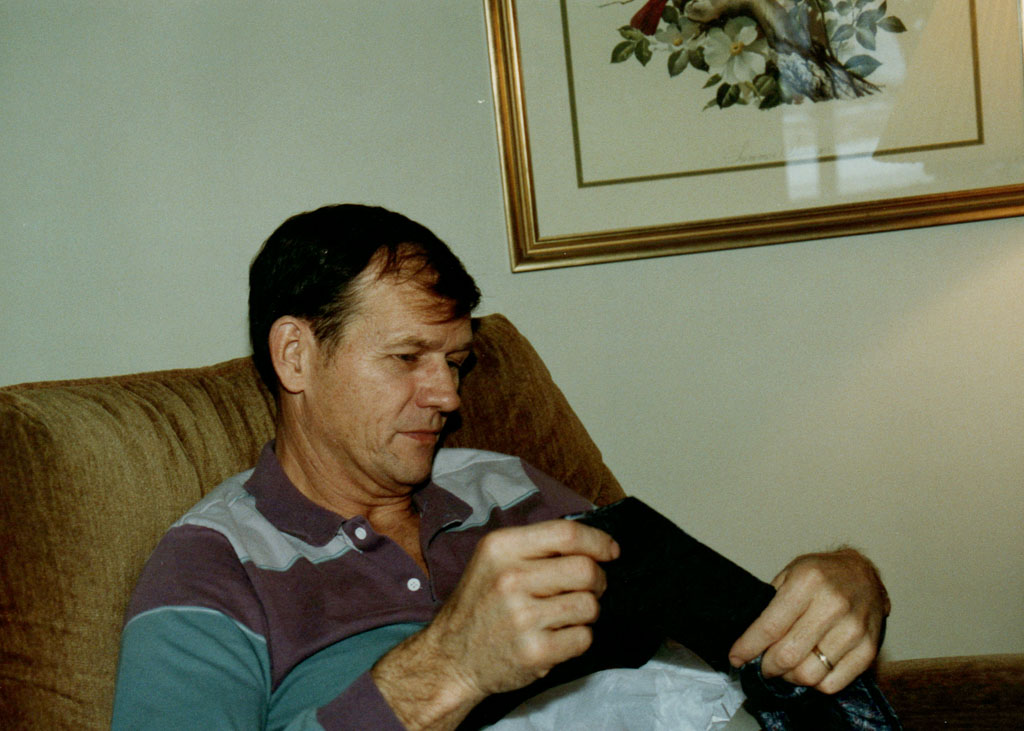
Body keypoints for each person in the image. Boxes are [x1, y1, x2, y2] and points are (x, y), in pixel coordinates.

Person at [112, 204, 890, 730]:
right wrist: (447, 669)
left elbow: (696, 636)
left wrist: (848, 588)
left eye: (456, 362)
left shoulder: (505, 485)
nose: (448, 395)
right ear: (295, 355)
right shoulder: (211, 567)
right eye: (408, 357)